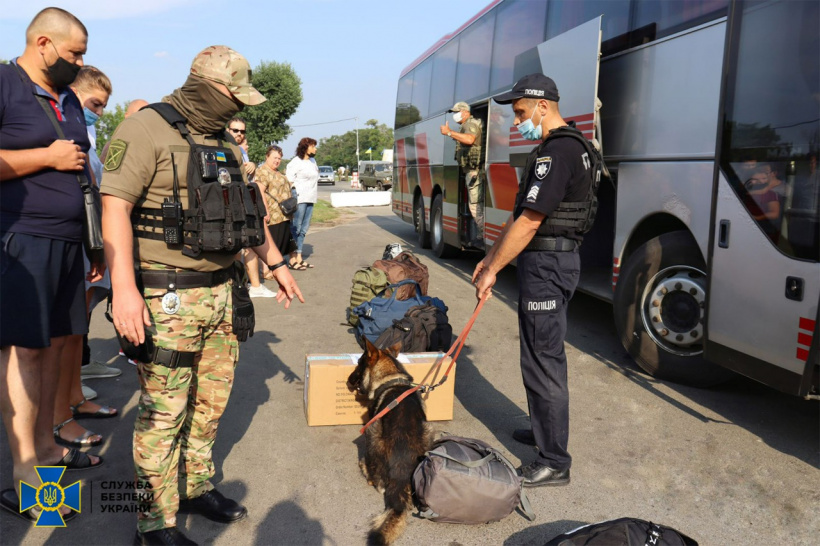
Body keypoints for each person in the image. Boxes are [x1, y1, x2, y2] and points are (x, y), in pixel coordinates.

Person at [101, 45, 304, 545]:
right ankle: (153, 523)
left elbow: (247, 215)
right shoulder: (144, 128)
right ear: (209, 87)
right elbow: (113, 211)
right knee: (163, 412)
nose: (238, 109)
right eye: (233, 98)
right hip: (166, 298)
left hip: (221, 295)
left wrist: (277, 264)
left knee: (210, 404)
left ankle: (194, 487)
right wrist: (123, 290)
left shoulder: (226, 145)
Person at [0, 7, 104, 522]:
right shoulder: (4, 83)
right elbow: (53, 158)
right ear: (43, 43)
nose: (80, 62)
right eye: (75, 53)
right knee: (23, 353)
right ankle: (23, 474)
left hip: (69, 244)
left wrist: (94, 245)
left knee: (49, 350)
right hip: (22, 240)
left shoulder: (65, 98)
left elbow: (83, 168)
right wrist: (45, 158)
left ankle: (45, 450)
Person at [474, 74, 595, 488]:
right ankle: (545, 430)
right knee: (537, 354)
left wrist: (493, 271)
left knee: (544, 359)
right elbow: (517, 214)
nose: (517, 120)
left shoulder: (557, 153)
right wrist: (490, 256)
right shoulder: (565, 146)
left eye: (521, 111)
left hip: (548, 264)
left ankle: (554, 460)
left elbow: (529, 222)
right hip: (547, 263)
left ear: (543, 106)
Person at [50, 66, 118, 455]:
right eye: (94, 104)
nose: (98, 113)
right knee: (59, 337)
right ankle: (59, 418)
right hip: (59, 239)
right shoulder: (55, 125)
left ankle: (73, 398)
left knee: (77, 330)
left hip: (81, 241)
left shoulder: (84, 131)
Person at [441, 101, 484, 248]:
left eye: (456, 112)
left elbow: (470, 139)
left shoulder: (469, 124)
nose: (455, 115)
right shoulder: (466, 125)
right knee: (475, 204)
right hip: (472, 171)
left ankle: (483, 236)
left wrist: (449, 132)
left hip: (473, 171)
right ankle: (480, 235)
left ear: (465, 112)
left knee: (475, 205)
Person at [255, 144, 296, 280]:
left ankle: (277, 266)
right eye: (274, 158)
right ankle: (265, 270)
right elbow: (260, 191)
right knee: (271, 242)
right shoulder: (263, 171)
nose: (277, 161)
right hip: (272, 213)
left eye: (279, 158)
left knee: (280, 241)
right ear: (267, 157)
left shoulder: (279, 172)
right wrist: (265, 210)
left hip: (283, 215)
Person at [286, 137, 319, 269]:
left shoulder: (312, 161)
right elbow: (289, 180)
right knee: (296, 228)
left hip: (311, 198)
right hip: (299, 199)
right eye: (313, 146)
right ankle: (292, 258)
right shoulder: (296, 162)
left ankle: (299, 257)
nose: (315, 149)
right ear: (305, 148)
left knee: (304, 229)